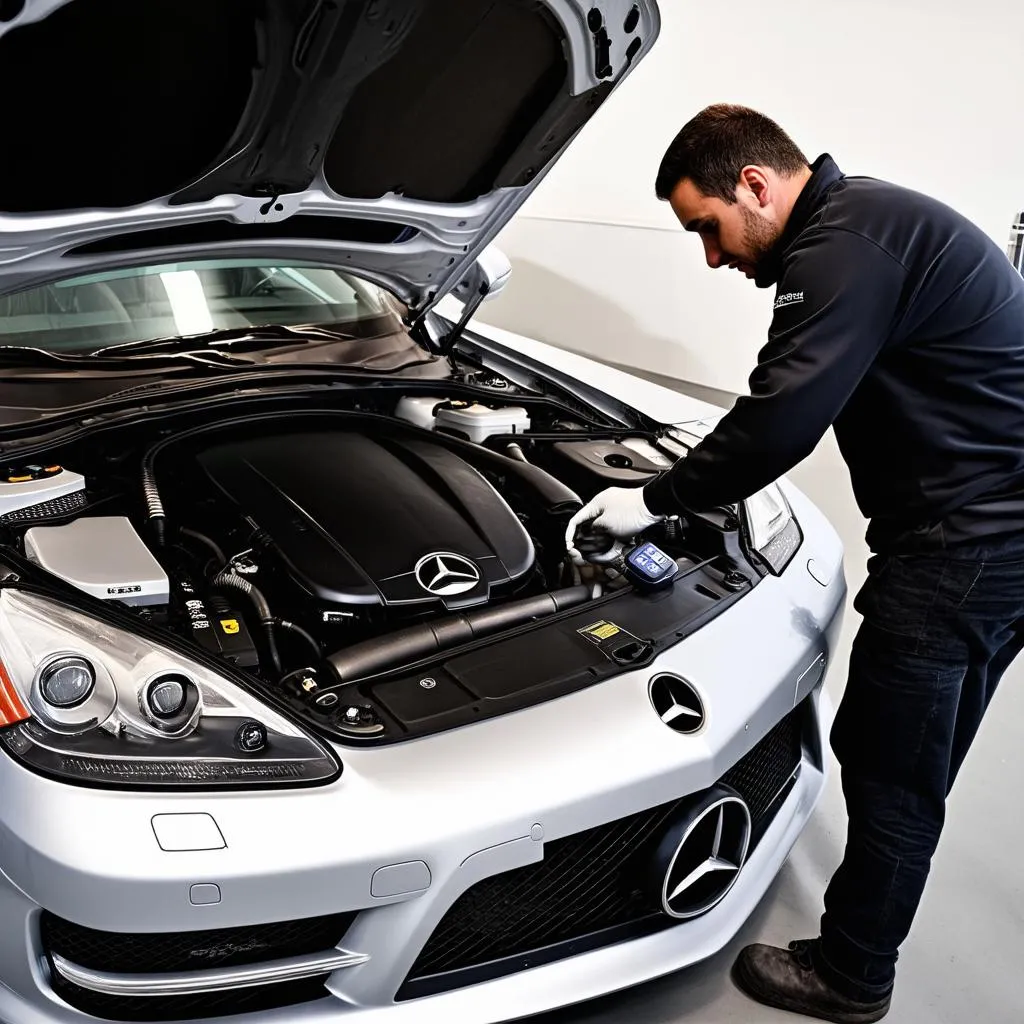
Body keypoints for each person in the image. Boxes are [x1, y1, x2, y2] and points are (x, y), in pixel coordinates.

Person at [565, 104, 1024, 1022]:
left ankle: (852, 974)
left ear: (757, 186)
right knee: (921, 752)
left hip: (963, 548)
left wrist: (655, 501)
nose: (713, 256)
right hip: (1001, 537)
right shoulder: (878, 222)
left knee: (893, 764)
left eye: (708, 228)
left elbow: (780, 415)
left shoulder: (844, 245)